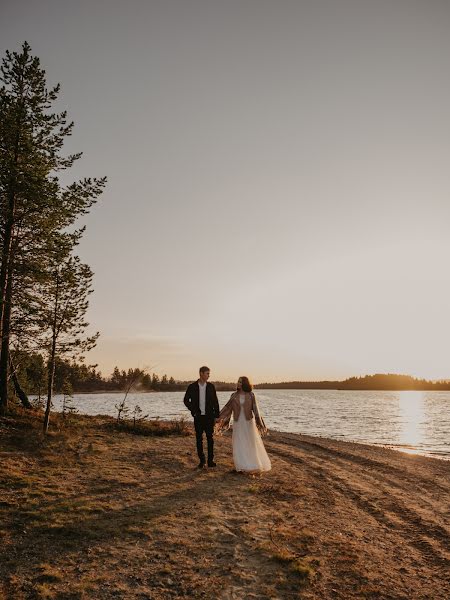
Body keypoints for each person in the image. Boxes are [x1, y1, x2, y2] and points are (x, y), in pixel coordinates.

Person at [217, 376, 271, 473]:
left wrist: (259, 421)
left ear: (245, 383)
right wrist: (218, 417)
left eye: (240, 382)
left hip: (248, 422)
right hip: (238, 422)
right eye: (238, 381)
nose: (238, 383)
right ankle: (241, 465)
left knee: (250, 443)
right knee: (239, 442)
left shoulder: (251, 395)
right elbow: (227, 408)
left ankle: (253, 464)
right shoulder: (233, 395)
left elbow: (256, 409)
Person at [183, 366, 220, 468]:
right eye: (207, 373)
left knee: (210, 438)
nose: (209, 375)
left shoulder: (211, 387)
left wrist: (217, 415)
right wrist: (193, 411)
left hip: (209, 417)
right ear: (201, 373)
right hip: (198, 417)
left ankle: (210, 461)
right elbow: (186, 400)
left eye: (209, 374)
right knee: (199, 439)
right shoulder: (192, 386)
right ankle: (202, 461)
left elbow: (215, 402)